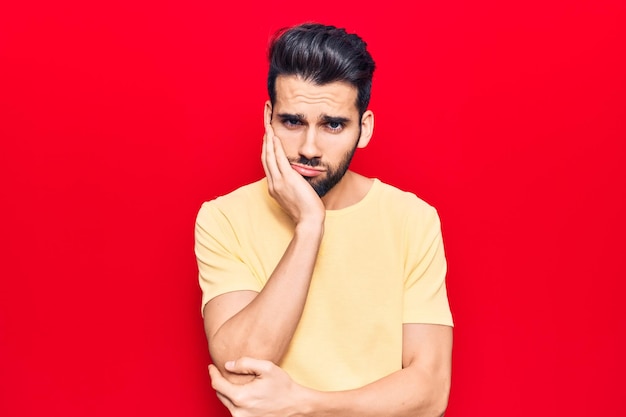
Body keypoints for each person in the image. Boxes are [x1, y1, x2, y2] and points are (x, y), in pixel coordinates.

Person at [194, 22, 453, 417]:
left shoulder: (412, 220)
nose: (309, 148)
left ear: (363, 129)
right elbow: (239, 367)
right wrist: (309, 226)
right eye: (292, 122)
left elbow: (430, 391)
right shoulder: (222, 218)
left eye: (333, 124)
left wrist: (305, 405)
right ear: (268, 118)